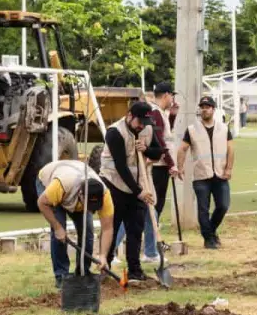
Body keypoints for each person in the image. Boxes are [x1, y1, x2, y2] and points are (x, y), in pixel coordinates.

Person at [98, 101, 162, 282]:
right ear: (129, 116)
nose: (141, 126)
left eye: (144, 122)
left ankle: (135, 270)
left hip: (138, 186)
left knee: (136, 229)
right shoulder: (114, 133)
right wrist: (138, 192)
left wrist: (147, 149)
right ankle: (106, 266)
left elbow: (158, 153)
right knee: (112, 226)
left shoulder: (147, 129)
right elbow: (121, 167)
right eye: (139, 122)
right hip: (114, 185)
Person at [36, 157, 115, 287]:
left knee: (87, 232)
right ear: (81, 195)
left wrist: (102, 256)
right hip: (49, 180)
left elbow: (107, 229)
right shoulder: (60, 185)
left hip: (73, 185)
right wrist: (57, 227)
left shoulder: (105, 195)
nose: (92, 210)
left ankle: (82, 272)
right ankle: (61, 276)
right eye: (89, 206)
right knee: (60, 233)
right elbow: (42, 203)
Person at [175, 96, 235, 249]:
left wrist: (229, 168)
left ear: (213, 109)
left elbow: (230, 149)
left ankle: (211, 231)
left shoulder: (223, 128)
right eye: (202, 107)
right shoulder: (192, 129)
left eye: (207, 107)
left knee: (223, 205)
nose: (204, 109)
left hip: (220, 174)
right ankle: (208, 240)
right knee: (203, 209)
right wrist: (179, 167)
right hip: (201, 176)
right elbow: (182, 149)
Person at [142, 82, 177, 264]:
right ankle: (147, 249)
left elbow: (164, 135)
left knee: (152, 211)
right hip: (158, 166)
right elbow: (160, 141)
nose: (173, 99)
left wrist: (172, 117)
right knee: (150, 209)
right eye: (172, 95)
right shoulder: (154, 112)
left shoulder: (159, 113)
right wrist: (171, 164)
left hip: (160, 165)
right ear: (166, 95)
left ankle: (150, 249)